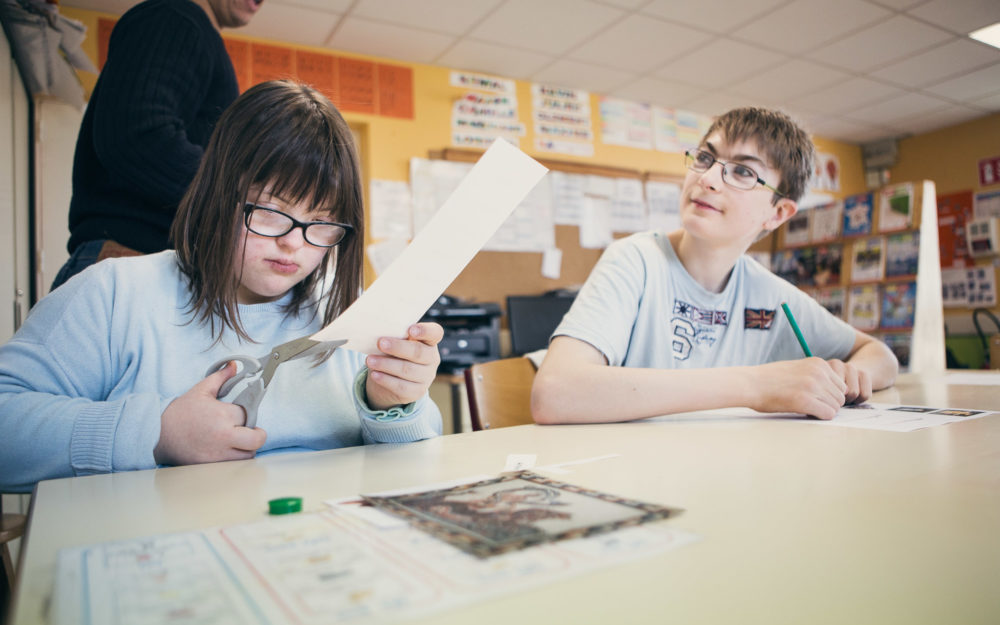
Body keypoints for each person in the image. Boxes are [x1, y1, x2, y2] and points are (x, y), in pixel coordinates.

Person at [0, 80, 443, 493]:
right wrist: (157, 432)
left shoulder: (346, 311)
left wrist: (393, 407)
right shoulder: (116, 293)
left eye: (322, 222)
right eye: (271, 210)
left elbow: (418, 463)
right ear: (217, 193)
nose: (293, 242)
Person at [532, 107, 898, 425]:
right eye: (706, 159)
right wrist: (757, 386)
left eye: (742, 172)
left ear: (778, 212)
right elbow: (554, 392)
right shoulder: (635, 260)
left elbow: (880, 355)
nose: (706, 179)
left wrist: (848, 377)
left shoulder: (771, 295)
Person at [50, 0, 262, 290]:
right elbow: (139, 134)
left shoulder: (191, 30)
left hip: (142, 267)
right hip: (132, 265)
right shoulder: (176, 19)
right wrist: (242, 196)